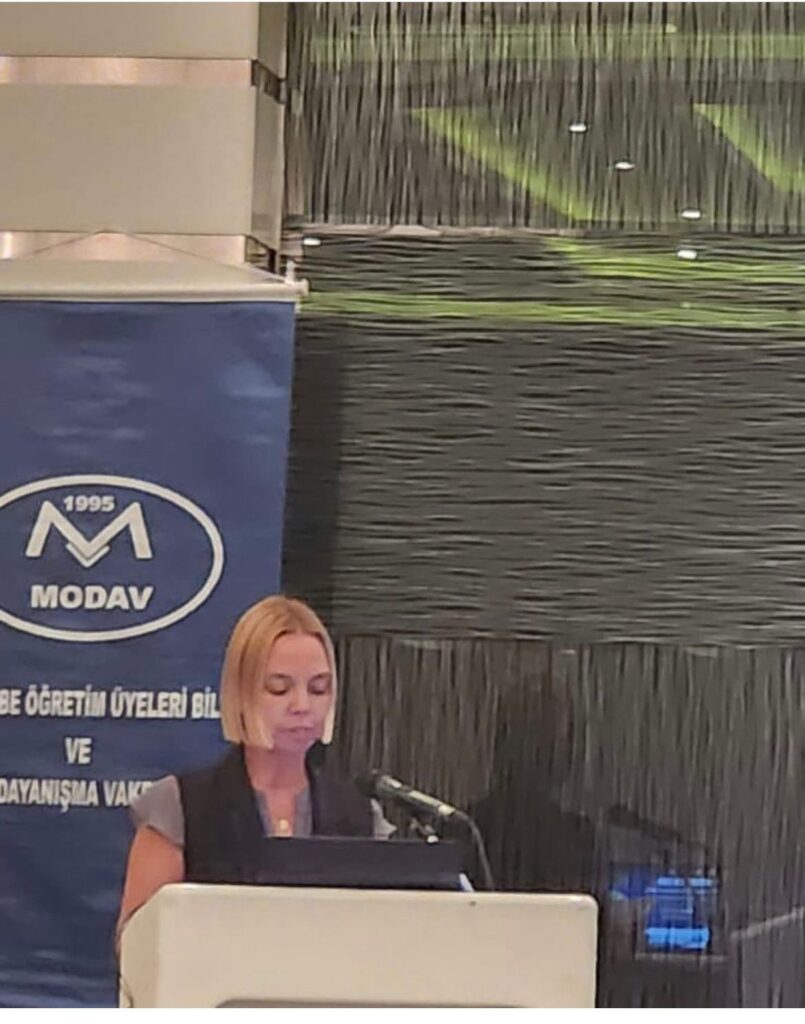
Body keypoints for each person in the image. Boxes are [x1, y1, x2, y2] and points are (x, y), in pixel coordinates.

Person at [117, 595, 392, 932]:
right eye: (279, 689)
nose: (302, 705)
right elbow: (137, 940)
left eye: (318, 689)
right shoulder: (180, 806)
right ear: (241, 692)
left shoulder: (362, 816)